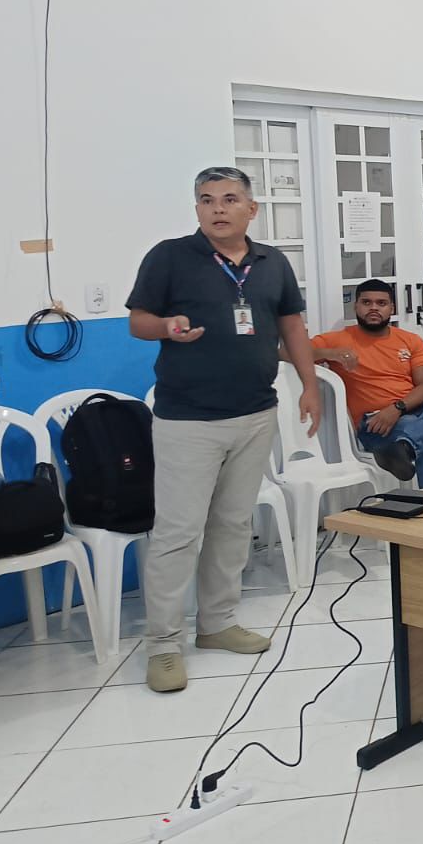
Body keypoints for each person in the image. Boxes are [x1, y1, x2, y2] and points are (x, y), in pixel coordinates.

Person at [126, 166, 321, 694]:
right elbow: (137, 320)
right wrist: (165, 326)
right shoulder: (169, 256)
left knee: (233, 525)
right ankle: (164, 646)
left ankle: (216, 624)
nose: (217, 208)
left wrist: (309, 384)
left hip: (255, 414)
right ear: (196, 210)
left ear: (250, 210)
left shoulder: (271, 262)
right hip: (187, 419)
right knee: (177, 534)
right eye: (207, 200)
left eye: (230, 199)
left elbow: (292, 326)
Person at [308, 280, 423, 489]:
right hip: (374, 424)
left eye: (381, 303)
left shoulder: (410, 340)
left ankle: (405, 445)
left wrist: (397, 408)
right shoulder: (337, 339)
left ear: (391, 308)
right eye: (367, 302)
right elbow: (286, 353)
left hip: (411, 411)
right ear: (356, 307)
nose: (374, 308)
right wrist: (330, 354)